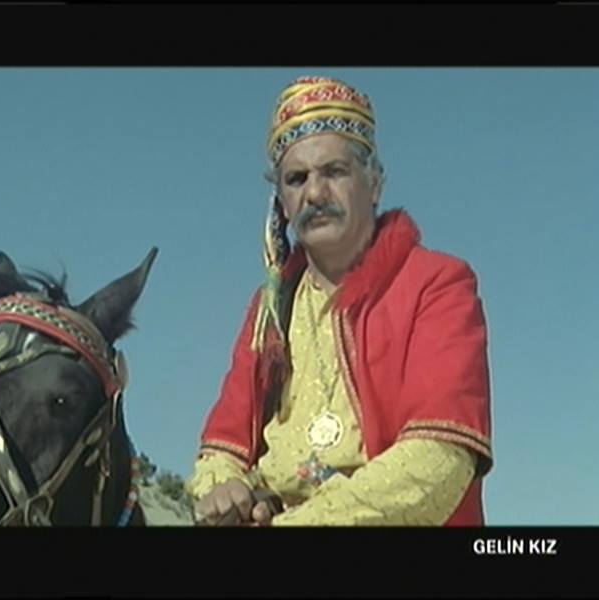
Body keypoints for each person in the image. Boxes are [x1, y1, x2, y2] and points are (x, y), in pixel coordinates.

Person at [186, 76, 493, 526]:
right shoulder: (269, 307)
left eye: (333, 171)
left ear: (375, 184)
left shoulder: (437, 284)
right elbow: (221, 447)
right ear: (282, 203)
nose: (314, 193)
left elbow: (439, 462)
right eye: (297, 179)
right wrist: (223, 488)